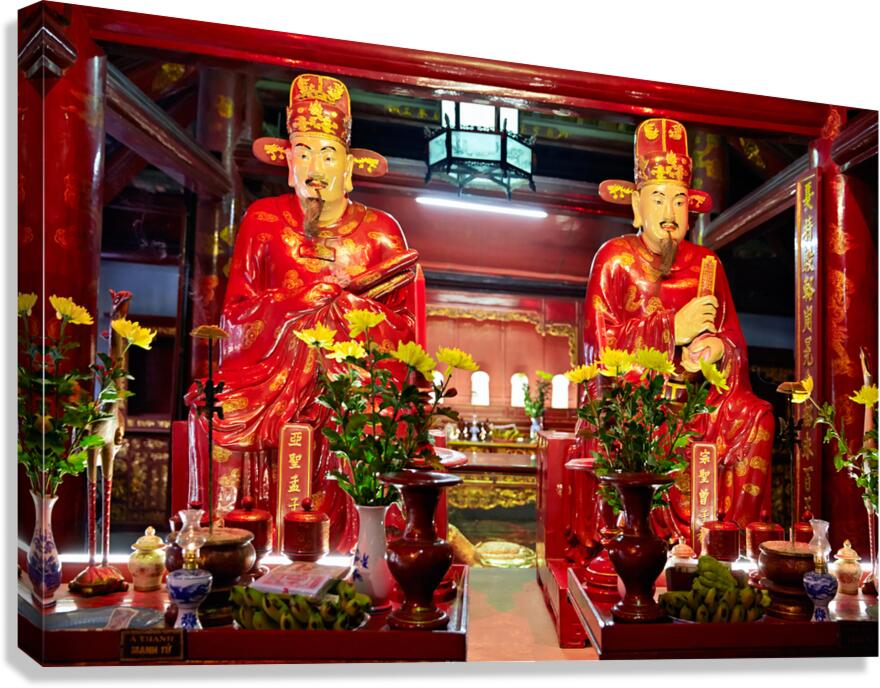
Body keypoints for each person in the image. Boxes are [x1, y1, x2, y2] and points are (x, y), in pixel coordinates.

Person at [187, 74, 419, 553]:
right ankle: (236, 543)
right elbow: (236, 315)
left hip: (353, 377)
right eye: (305, 153)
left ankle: (362, 547)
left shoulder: (380, 234)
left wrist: (343, 310)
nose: (316, 167)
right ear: (289, 163)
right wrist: (299, 306)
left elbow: (407, 331)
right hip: (270, 374)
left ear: (349, 167)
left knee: (368, 415)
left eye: (328, 154)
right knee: (213, 409)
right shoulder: (264, 221)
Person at [575, 118, 774, 543]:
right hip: (638, 398)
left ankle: (728, 540)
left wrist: (719, 350)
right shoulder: (615, 260)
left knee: (754, 415)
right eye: (659, 199)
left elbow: (735, 341)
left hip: (698, 403)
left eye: (680, 201)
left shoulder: (707, 265)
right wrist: (671, 329)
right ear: (636, 207)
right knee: (632, 423)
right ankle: (637, 534)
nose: (670, 214)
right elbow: (598, 350)